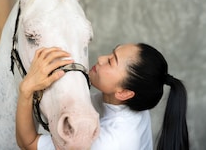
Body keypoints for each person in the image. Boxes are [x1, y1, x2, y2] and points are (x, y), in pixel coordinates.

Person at [16, 43, 189, 150]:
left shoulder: (110, 143)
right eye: (111, 53)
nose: (100, 58)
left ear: (124, 93)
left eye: (111, 61)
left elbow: (28, 143)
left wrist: (26, 89)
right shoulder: (133, 103)